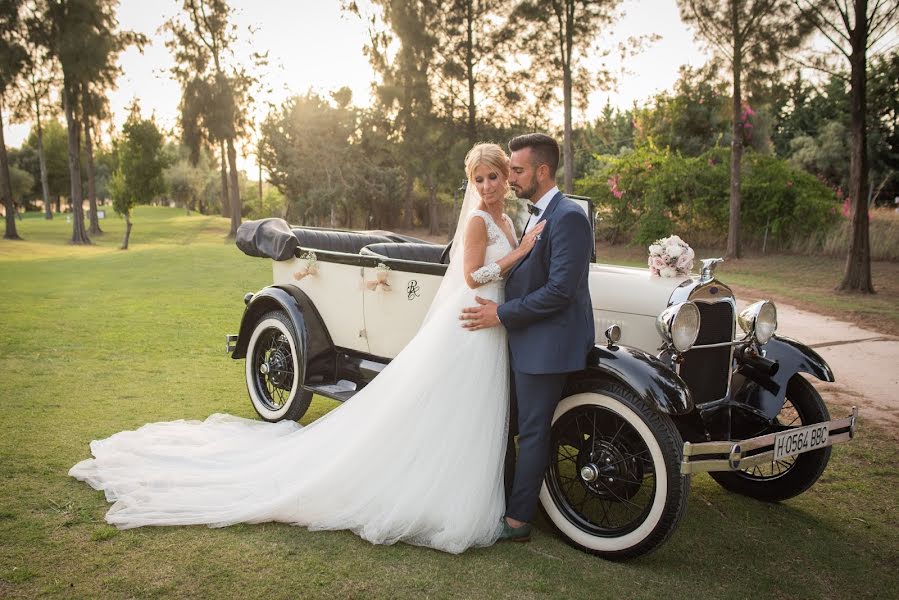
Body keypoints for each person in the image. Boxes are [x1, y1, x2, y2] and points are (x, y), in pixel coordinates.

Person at [69, 143, 543, 555]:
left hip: (490, 319)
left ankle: (479, 488)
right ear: (471, 183)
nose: (486, 186)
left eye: (494, 177)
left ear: (506, 176)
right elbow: (472, 275)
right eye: (478, 179)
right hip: (474, 313)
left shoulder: (507, 214)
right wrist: (520, 254)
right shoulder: (481, 220)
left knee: (473, 408)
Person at [460, 133, 594, 543]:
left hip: (545, 344)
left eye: (515, 170)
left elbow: (559, 291)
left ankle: (518, 521)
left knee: (532, 430)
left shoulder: (568, 216)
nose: (509, 178)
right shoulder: (535, 214)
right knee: (508, 423)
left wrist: (500, 313)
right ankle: (504, 499)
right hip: (522, 338)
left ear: (541, 171)